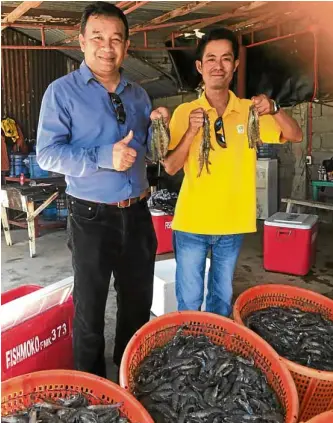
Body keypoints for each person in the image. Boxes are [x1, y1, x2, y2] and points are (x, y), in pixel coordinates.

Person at [36, 1, 167, 378]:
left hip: (139, 211)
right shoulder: (61, 93)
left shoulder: (139, 95)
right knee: (90, 309)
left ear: (126, 46)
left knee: (137, 304)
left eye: (115, 39)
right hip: (91, 215)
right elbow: (47, 154)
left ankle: (129, 376)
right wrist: (103, 156)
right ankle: (93, 388)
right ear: (81, 42)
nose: (106, 47)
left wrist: (160, 126)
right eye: (97, 37)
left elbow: (148, 150)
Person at [162, 28, 302, 317]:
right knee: (188, 299)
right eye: (211, 58)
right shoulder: (184, 112)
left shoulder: (250, 111)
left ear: (235, 65)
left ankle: (216, 350)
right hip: (192, 223)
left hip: (232, 224)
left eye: (226, 59)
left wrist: (275, 108)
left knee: (222, 298)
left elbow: (295, 135)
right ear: (200, 66)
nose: (218, 65)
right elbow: (171, 166)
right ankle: (189, 347)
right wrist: (190, 131)